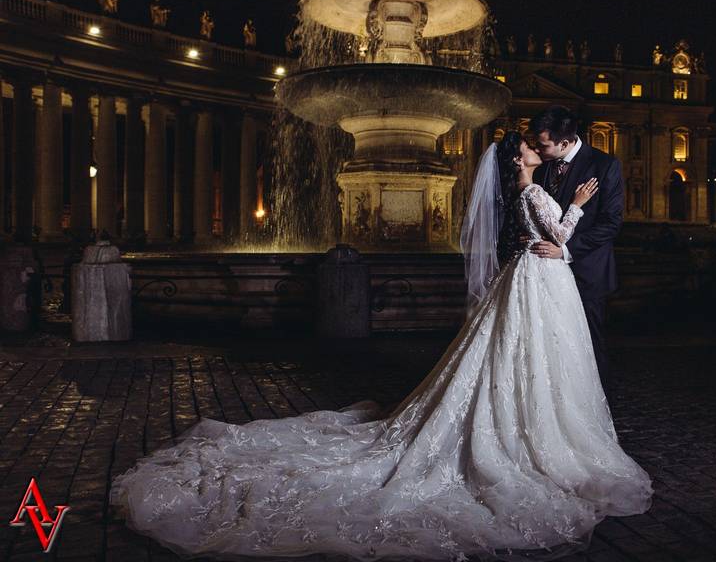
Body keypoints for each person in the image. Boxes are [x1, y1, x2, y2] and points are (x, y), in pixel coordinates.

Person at [109, 131, 654, 562]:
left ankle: (524, 417)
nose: (539, 146)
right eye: (533, 144)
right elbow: (558, 236)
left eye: (541, 141)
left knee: (510, 355)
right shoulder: (532, 187)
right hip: (538, 277)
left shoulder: (522, 187)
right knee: (528, 357)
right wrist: (578, 204)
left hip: (528, 280)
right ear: (521, 157)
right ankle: (535, 425)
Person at [527, 105, 624, 399]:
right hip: (546, 272)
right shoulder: (542, 166)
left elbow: (611, 223)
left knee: (590, 345)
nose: (537, 149)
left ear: (565, 142)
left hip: (586, 273)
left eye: (543, 144)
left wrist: (565, 250)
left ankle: (598, 411)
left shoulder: (605, 165)